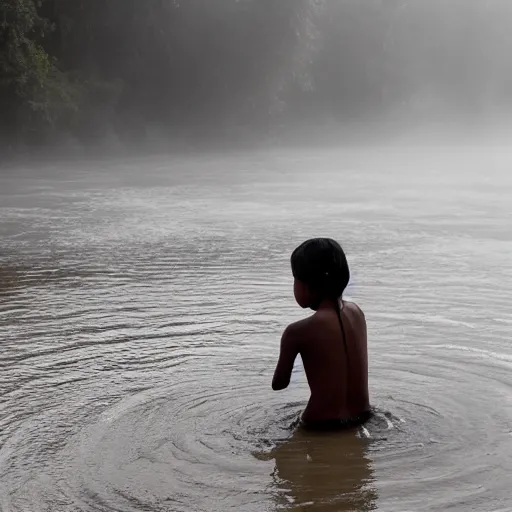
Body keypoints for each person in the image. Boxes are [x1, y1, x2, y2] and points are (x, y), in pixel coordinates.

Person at [272, 238, 370, 430]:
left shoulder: (297, 332)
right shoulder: (357, 312)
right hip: (364, 417)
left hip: (320, 426)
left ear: (306, 286)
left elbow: (279, 384)